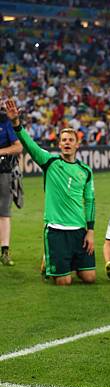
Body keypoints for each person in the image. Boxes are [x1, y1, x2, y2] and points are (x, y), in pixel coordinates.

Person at [5, 98, 96, 286]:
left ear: (77, 144)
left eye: (71, 140)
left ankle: (54, 260)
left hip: (79, 230)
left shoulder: (85, 170)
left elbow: (90, 200)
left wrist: (91, 231)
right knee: (64, 282)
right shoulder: (49, 161)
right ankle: (51, 258)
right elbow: (29, 144)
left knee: (90, 278)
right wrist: (16, 123)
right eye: (64, 140)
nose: (67, 143)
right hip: (56, 229)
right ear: (60, 144)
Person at [0, 105, 23, 266]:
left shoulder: (4, 120)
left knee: (4, 213)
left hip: (3, 171)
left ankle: (4, 252)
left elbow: (18, 146)